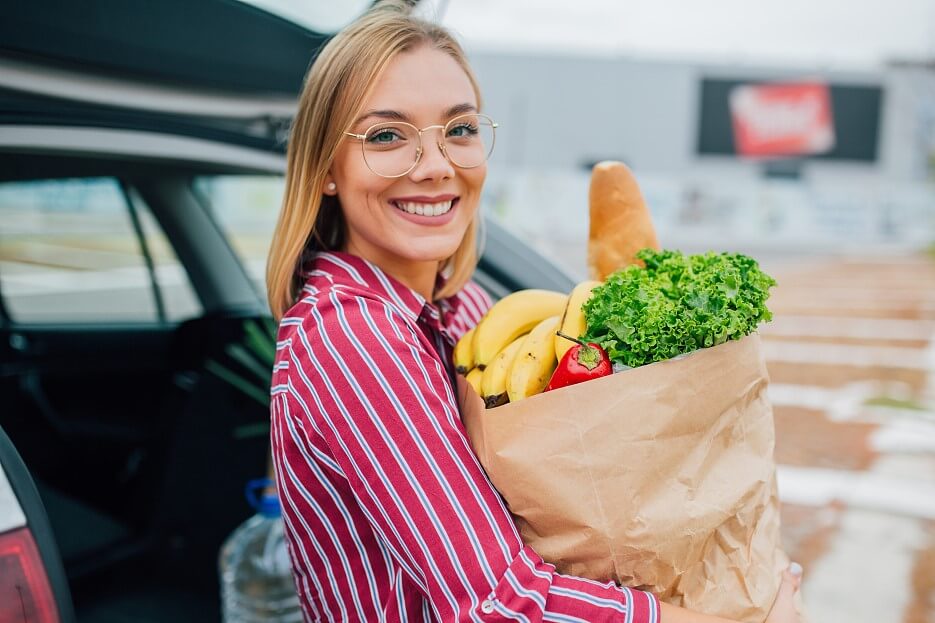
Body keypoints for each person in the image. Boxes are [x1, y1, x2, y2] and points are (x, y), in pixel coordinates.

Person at [265, 2, 802, 621]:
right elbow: (499, 602)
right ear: (326, 168)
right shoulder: (351, 338)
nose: (437, 165)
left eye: (459, 129)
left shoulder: (461, 307)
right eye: (387, 135)